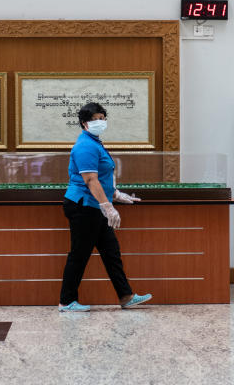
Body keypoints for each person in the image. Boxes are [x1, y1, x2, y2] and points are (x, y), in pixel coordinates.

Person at [58, 102, 152, 312]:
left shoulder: (95, 142)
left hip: (95, 207)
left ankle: (126, 296)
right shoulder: (85, 146)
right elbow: (91, 179)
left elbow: (103, 176)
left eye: (102, 118)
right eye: (95, 119)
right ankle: (66, 301)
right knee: (79, 254)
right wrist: (107, 206)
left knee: (111, 252)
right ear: (84, 123)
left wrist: (117, 195)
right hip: (84, 207)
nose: (100, 122)